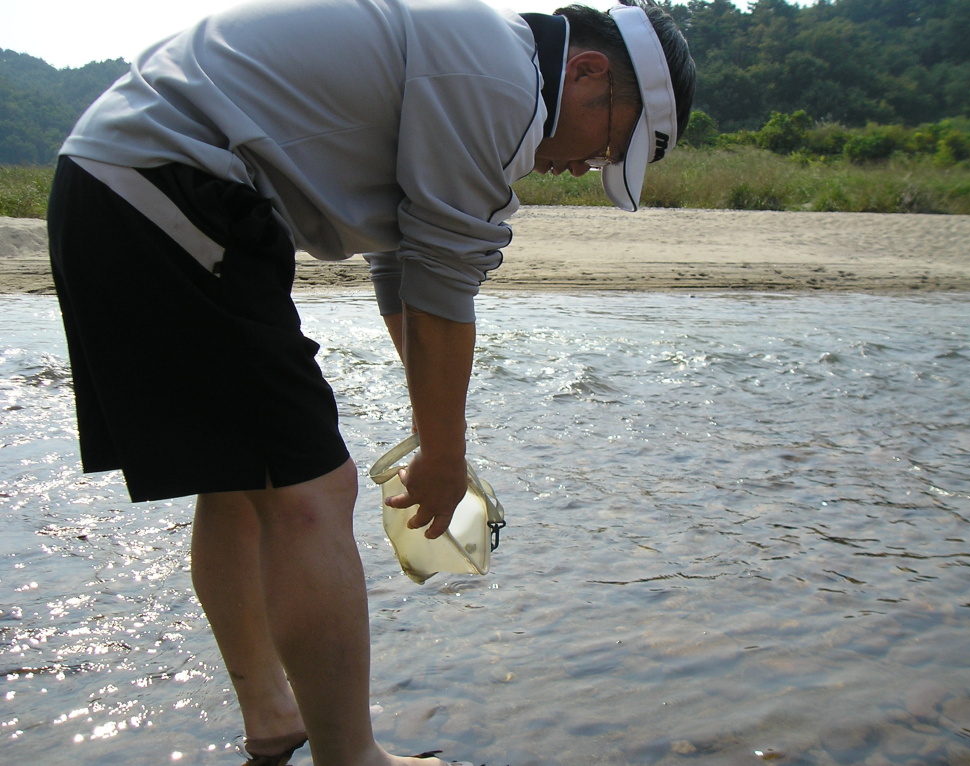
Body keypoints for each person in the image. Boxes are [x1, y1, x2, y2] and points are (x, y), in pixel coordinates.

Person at [46, 0, 696, 763]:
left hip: (123, 182)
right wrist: (445, 459)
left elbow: (405, 265)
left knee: (240, 481)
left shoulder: (480, 54)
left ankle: (272, 715)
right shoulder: (499, 79)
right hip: (173, 190)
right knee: (312, 495)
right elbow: (443, 286)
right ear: (588, 73)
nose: (585, 167)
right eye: (606, 145)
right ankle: (350, 757)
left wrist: (435, 434)